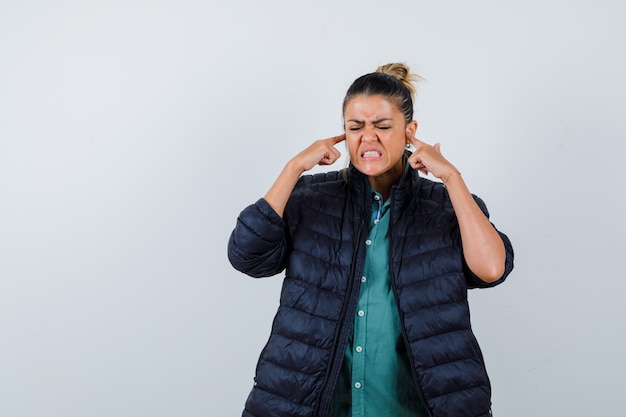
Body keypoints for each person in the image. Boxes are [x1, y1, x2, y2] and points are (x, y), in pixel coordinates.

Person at [227, 63, 514, 417]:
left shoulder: (446, 206)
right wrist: (293, 169)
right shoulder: (309, 199)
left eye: (382, 126)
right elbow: (247, 256)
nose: (368, 137)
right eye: (355, 127)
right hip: (312, 405)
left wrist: (452, 178)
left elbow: (491, 269)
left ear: (410, 131)